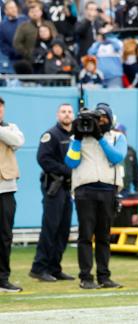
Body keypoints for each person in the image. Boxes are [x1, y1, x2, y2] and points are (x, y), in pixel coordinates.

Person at [64, 103, 126, 289]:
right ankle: (86, 278)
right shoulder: (79, 137)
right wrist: (76, 138)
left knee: (103, 237)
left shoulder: (117, 137)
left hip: (108, 191)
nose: (98, 123)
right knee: (85, 235)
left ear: (110, 119)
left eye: (102, 119)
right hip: (85, 191)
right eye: (95, 120)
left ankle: (104, 277)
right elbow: (71, 162)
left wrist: (100, 138)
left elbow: (116, 157)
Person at [29, 103, 75, 282]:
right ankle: (39, 268)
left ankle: (55, 268)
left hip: (68, 188)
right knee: (50, 229)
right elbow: (43, 159)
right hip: (53, 187)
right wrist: (66, 170)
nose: (67, 115)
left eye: (69, 112)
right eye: (63, 112)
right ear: (58, 115)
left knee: (63, 230)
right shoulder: (51, 135)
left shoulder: (76, 136)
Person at [0, 96, 25, 293]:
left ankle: (3, 279)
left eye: (1, 109)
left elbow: (17, 141)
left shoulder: (11, 127)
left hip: (6, 188)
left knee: (5, 236)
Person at [0, 0, 28, 73]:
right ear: (5, 11)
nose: (14, 9)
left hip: (27, 57)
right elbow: (3, 45)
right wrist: (14, 52)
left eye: (15, 7)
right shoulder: (3, 26)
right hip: (12, 59)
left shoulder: (25, 20)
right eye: (11, 8)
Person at [114, 124, 138, 195]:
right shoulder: (111, 149)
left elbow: (136, 171)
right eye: (117, 132)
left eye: (121, 132)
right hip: (113, 187)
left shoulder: (131, 151)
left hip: (126, 189)